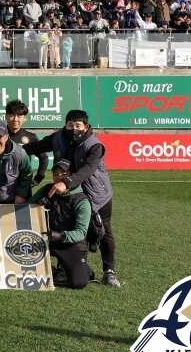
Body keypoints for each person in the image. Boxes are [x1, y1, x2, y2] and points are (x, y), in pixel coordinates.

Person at [24, 109, 120, 287]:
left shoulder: (94, 145)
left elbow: (88, 169)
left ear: (86, 126)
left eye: (78, 125)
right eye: (70, 124)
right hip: (70, 193)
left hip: (97, 194)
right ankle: (68, 265)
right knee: (65, 225)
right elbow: (36, 147)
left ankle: (109, 271)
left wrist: (66, 182)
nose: (74, 128)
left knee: (103, 230)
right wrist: (12, 149)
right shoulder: (58, 137)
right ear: (65, 124)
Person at [29, 160, 92, 289]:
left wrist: (61, 236)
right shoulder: (47, 189)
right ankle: (51, 269)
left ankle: (85, 269)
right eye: (56, 174)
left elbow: (81, 233)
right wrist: (37, 205)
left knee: (78, 283)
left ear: (72, 176)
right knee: (23, 271)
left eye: (64, 174)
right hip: (47, 239)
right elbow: (26, 207)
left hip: (71, 243)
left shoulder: (81, 200)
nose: (59, 178)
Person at [5, 99, 49, 185]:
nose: (15, 119)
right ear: (6, 116)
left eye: (19, 116)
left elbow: (44, 158)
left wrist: (38, 178)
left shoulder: (31, 137)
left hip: (24, 182)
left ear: (25, 118)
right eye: (12, 115)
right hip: (2, 183)